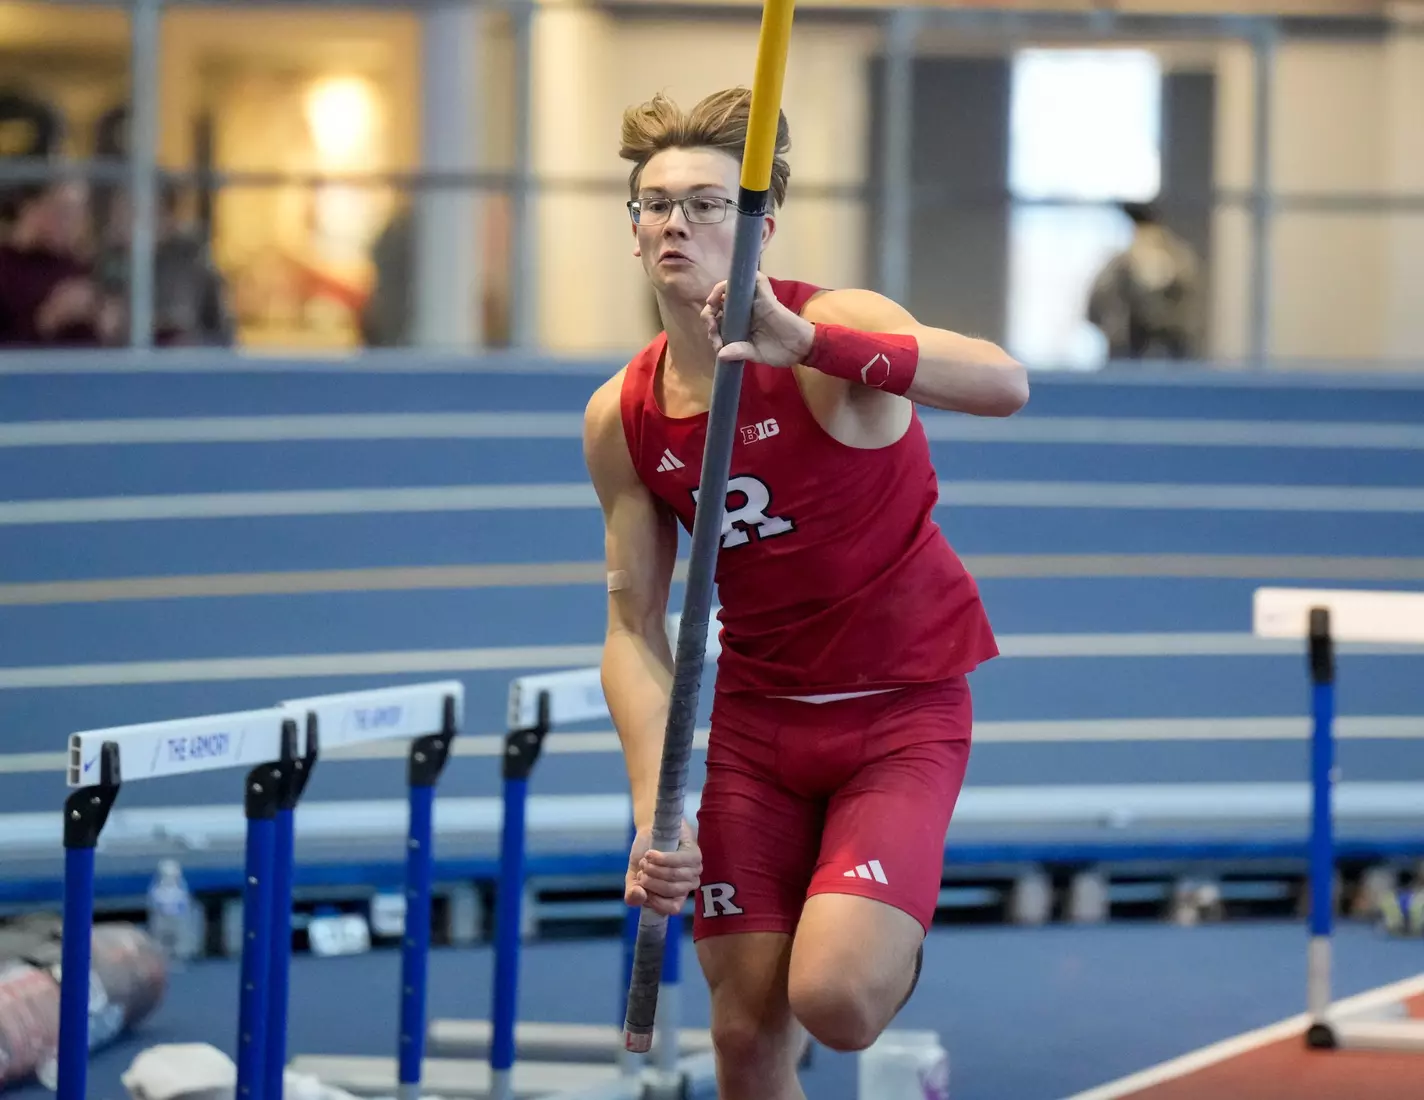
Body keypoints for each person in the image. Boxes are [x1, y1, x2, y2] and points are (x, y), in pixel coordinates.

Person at [582, 87, 1028, 1100]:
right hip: (756, 728)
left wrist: (806, 343)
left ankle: (884, 940)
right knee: (743, 1026)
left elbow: (1005, 383)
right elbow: (631, 626)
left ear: (758, 222)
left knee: (831, 998)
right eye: (653, 204)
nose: (674, 223)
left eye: (705, 202)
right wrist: (661, 808)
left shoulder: (835, 328)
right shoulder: (623, 413)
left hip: (899, 712)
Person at [1086, 200, 1202, 361]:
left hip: (1170, 352)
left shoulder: (1180, 262)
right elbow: (1094, 307)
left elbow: (1190, 313)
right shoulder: (1119, 266)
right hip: (1126, 352)